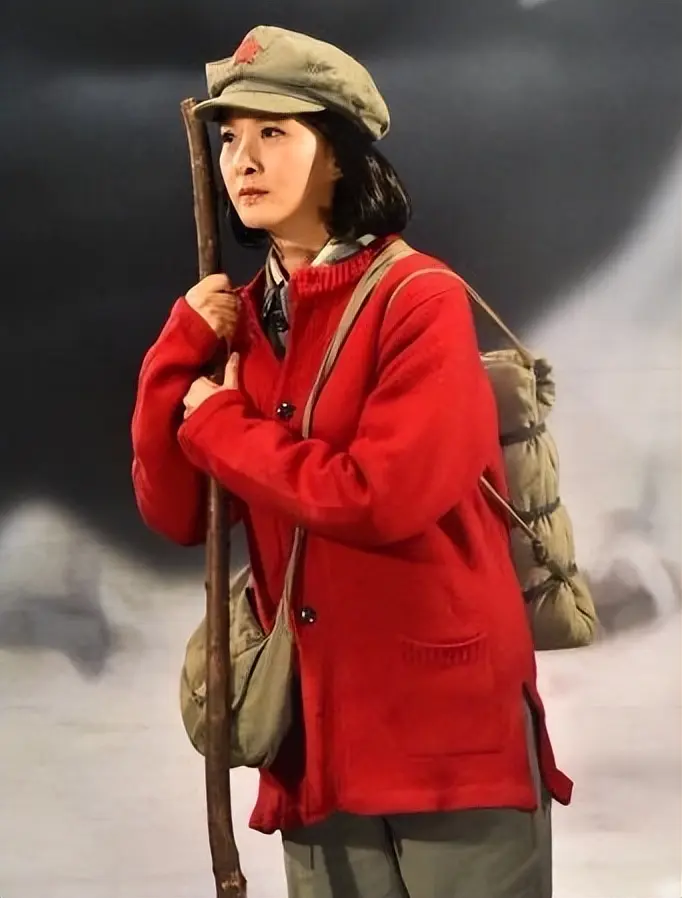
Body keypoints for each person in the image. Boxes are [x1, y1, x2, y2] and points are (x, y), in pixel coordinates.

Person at [131, 24, 573, 898]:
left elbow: (381, 495)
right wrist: (179, 349)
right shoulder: (242, 320)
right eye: (230, 138)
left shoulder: (418, 300)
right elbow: (180, 514)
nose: (243, 160)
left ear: (336, 154)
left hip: (444, 731)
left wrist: (217, 421)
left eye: (273, 132)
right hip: (315, 731)